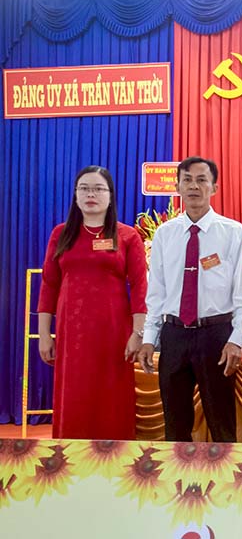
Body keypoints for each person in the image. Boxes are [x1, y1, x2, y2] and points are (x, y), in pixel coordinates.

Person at [137, 157, 242, 442]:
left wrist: (237, 340)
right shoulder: (165, 234)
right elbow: (157, 293)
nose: (194, 186)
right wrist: (149, 338)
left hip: (216, 335)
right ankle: (179, 471)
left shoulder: (233, 232)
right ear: (178, 186)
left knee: (222, 425)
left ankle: (226, 471)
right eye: (187, 180)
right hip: (174, 334)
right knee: (175, 426)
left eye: (202, 180)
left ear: (214, 187)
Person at [36, 166, 148, 440]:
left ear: (110, 196)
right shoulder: (61, 234)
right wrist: (44, 335)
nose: (91, 194)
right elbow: (49, 285)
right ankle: (70, 457)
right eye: (84, 188)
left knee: (111, 399)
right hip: (71, 334)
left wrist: (138, 333)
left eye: (98, 189)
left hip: (113, 334)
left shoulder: (127, 236)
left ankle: (115, 458)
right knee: (74, 396)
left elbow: (140, 287)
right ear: (75, 195)